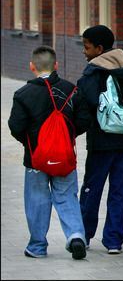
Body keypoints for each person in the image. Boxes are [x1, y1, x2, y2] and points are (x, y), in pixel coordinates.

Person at [8, 45, 91, 260]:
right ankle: (76, 236)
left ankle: (37, 247)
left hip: (36, 159)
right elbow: (84, 121)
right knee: (67, 197)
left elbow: (16, 126)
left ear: (31, 66)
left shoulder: (23, 94)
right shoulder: (72, 90)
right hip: (64, 157)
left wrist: (31, 144)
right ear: (56, 65)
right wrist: (64, 139)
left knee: (37, 199)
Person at [77, 25, 123, 255]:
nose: (84, 52)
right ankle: (114, 240)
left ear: (99, 48)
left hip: (101, 143)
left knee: (91, 189)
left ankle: (83, 235)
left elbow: (86, 108)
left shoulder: (92, 73)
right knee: (120, 190)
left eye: (86, 47)